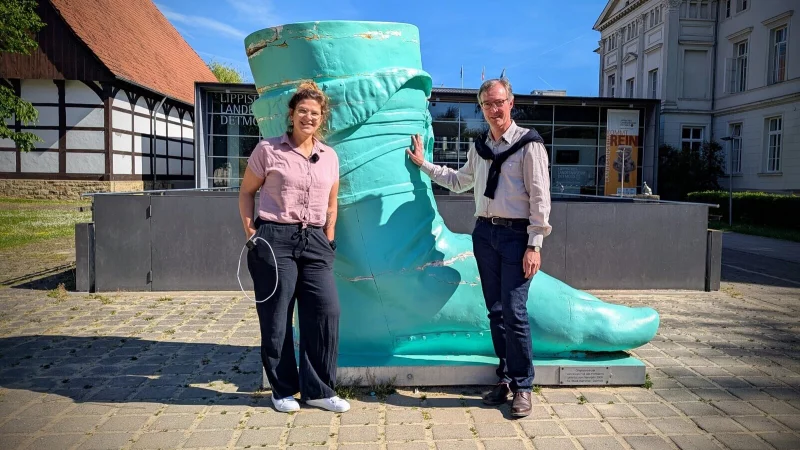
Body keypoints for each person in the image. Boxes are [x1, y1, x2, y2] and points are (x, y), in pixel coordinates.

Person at [406, 78, 552, 417]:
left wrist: (535, 244)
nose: (494, 109)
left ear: (511, 102)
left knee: (515, 314)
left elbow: (541, 199)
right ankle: (505, 379)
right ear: (482, 107)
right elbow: (459, 181)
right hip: (485, 235)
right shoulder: (481, 147)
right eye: (488, 104)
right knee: (497, 312)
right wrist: (424, 164)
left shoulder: (529, 145)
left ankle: (524, 386)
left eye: (499, 102)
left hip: (517, 237)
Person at [239, 81, 349, 413]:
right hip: (274, 237)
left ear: (322, 117)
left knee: (326, 312)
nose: (308, 117)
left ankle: (318, 390)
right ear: (292, 113)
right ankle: (282, 389)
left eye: (315, 113)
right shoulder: (268, 150)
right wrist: (251, 234)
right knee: (276, 317)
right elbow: (246, 193)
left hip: (315, 239)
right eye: (302, 111)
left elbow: (333, 201)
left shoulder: (329, 156)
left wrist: (329, 235)